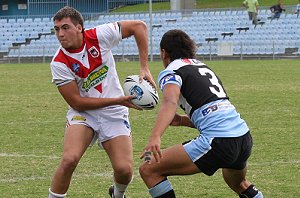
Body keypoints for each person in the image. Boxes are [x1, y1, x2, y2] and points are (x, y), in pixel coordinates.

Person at [139, 29, 264, 198]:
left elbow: (170, 101)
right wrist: (182, 121)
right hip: (243, 137)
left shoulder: (171, 71)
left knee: (148, 169)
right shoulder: (201, 66)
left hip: (219, 141)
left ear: (163, 52)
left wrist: (155, 137)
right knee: (238, 183)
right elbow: (215, 108)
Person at [48, 6, 156, 198]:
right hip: (84, 113)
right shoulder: (59, 62)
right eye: (57, 30)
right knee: (69, 160)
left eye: (65, 28)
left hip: (114, 111)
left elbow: (139, 27)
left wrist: (144, 67)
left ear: (79, 27)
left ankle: (118, 194)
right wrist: (119, 100)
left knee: (124, 169)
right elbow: (77, 102)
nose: (60, 34)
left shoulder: (99, 35)